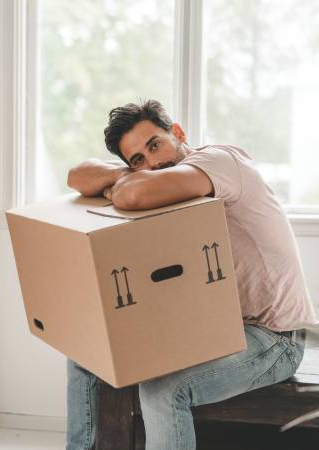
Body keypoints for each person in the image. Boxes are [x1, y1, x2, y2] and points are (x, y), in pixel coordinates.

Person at [65, 99, 318, 450]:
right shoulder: (163, 179)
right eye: (138, 159)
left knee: (164, 390)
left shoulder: (217, 161)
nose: (152, 162)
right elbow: (76, 175)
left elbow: (135, 193)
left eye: (155, 144)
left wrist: (133, 179)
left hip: (274, 338)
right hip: (213, 326)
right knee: (86, 352)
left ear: (178, 132)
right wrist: (127, 176)